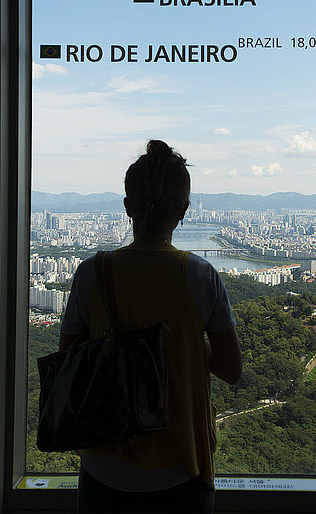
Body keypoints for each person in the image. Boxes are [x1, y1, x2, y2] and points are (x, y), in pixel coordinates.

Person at [58, 139, 242, 514]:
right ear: (184, 211)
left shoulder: (93, 271)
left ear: (128, 207)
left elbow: (68, 360)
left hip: (104, 464)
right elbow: (230, 369)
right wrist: (185, 343)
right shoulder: (200, 275)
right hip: (180, 465)